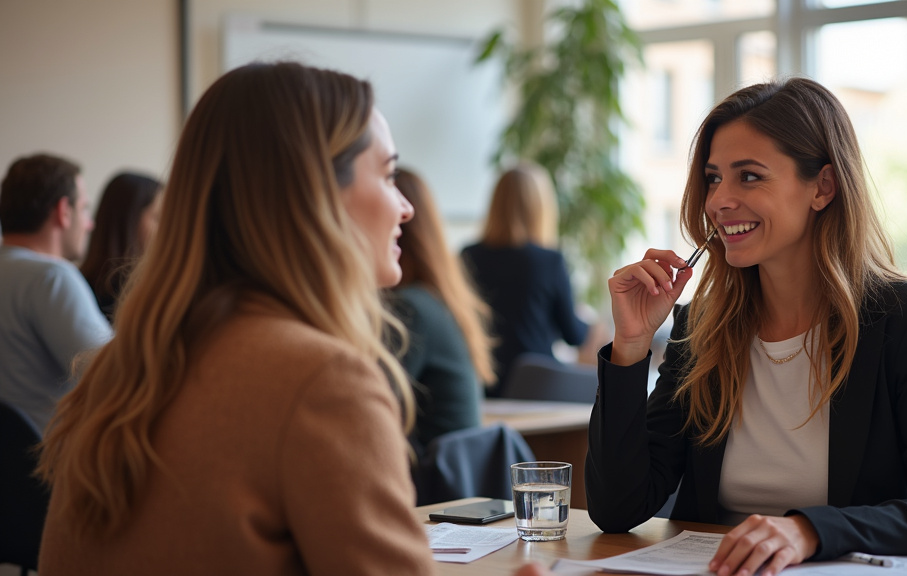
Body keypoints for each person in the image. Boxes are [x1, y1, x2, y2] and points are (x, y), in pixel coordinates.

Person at [35, 62, 550, 576]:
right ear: (319, 196)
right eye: (390, 175)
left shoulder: (117, 369)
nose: (406, 208)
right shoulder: (323, 380)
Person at [586, 77, 907, 576]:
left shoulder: (905, 320)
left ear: (822, 187)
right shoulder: (703, 326)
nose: (719, 201)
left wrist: (810, 530)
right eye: (714, 178)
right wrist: (630, 345)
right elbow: (617, 509)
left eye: (750, 177)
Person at [461, 162, 596, 395]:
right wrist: (588, 321)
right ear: (541, 208)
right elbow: (574, 336)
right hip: (535, 388)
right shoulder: (549, 261)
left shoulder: (468, 256)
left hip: (482, 385)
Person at [0, 153, 112, 432]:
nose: (90, 224)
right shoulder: (51, 278)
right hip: (51, 464)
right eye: (85, 209)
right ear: (63, 211)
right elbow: (114, 377)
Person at [389, 167, 495, 449]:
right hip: (453, 484)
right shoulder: (439, 301)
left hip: (430, 489)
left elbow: (366, 414)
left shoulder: (410, 309)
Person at [79, 171, 165, 321]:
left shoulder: (80, 282)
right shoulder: (140, 292)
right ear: (129, 220)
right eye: (157, 218)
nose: (166, 228)